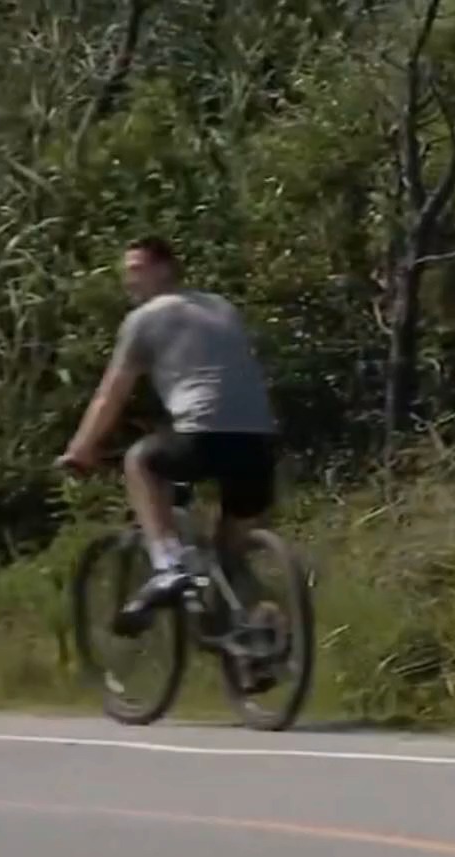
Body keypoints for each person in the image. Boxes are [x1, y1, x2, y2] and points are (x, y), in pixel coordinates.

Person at [54, 237, 281, 635]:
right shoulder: (221, 307)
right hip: (259, 442)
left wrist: (81, 449)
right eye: (127, 272)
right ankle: (259, 639)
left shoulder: (145, 319)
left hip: (203, 435)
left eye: (137, 270)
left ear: (166, 269)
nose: (129, 281)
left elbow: (110, 395)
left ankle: (167, 564)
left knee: (140, 461)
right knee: (230, 557)